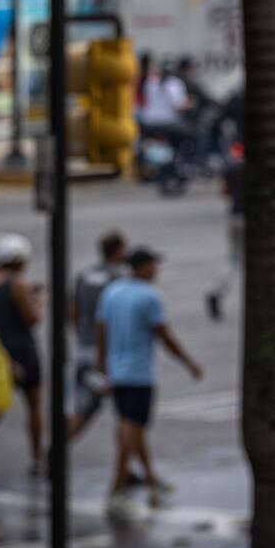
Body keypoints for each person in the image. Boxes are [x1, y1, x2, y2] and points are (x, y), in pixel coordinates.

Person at [96, 248, 204, 516]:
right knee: (129, 435)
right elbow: (163, 334)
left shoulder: (112, 291)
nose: (157, 271)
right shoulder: (149, 296)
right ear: (142, 267)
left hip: (117, 371)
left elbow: (101, 330)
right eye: (154, 265)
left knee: (134, 431)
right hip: (139, 374)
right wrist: (189, 362)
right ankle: (116, 492)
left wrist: (103, 366)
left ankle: (152, 480)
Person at [0, 233, 45, 475]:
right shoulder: (17, 284)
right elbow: (31, 318)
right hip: (22, 352)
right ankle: (36, 458)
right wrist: (40, 301)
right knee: (34, 405)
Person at [68, 231, 129, 441]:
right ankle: (55, 454)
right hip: (108, 353)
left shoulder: (84, 275)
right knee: (127, 412)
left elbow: (73, 312)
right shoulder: (119, 278)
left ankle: (135, 467)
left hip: (85, 348)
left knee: (84, 406)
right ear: (119, 250)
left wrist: (82, 337)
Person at [206, 143, 245, 321]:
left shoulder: (232, 169)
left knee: (233, 261)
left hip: (234, 217)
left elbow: (224, 191)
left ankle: (218, 290)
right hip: (250, 220)